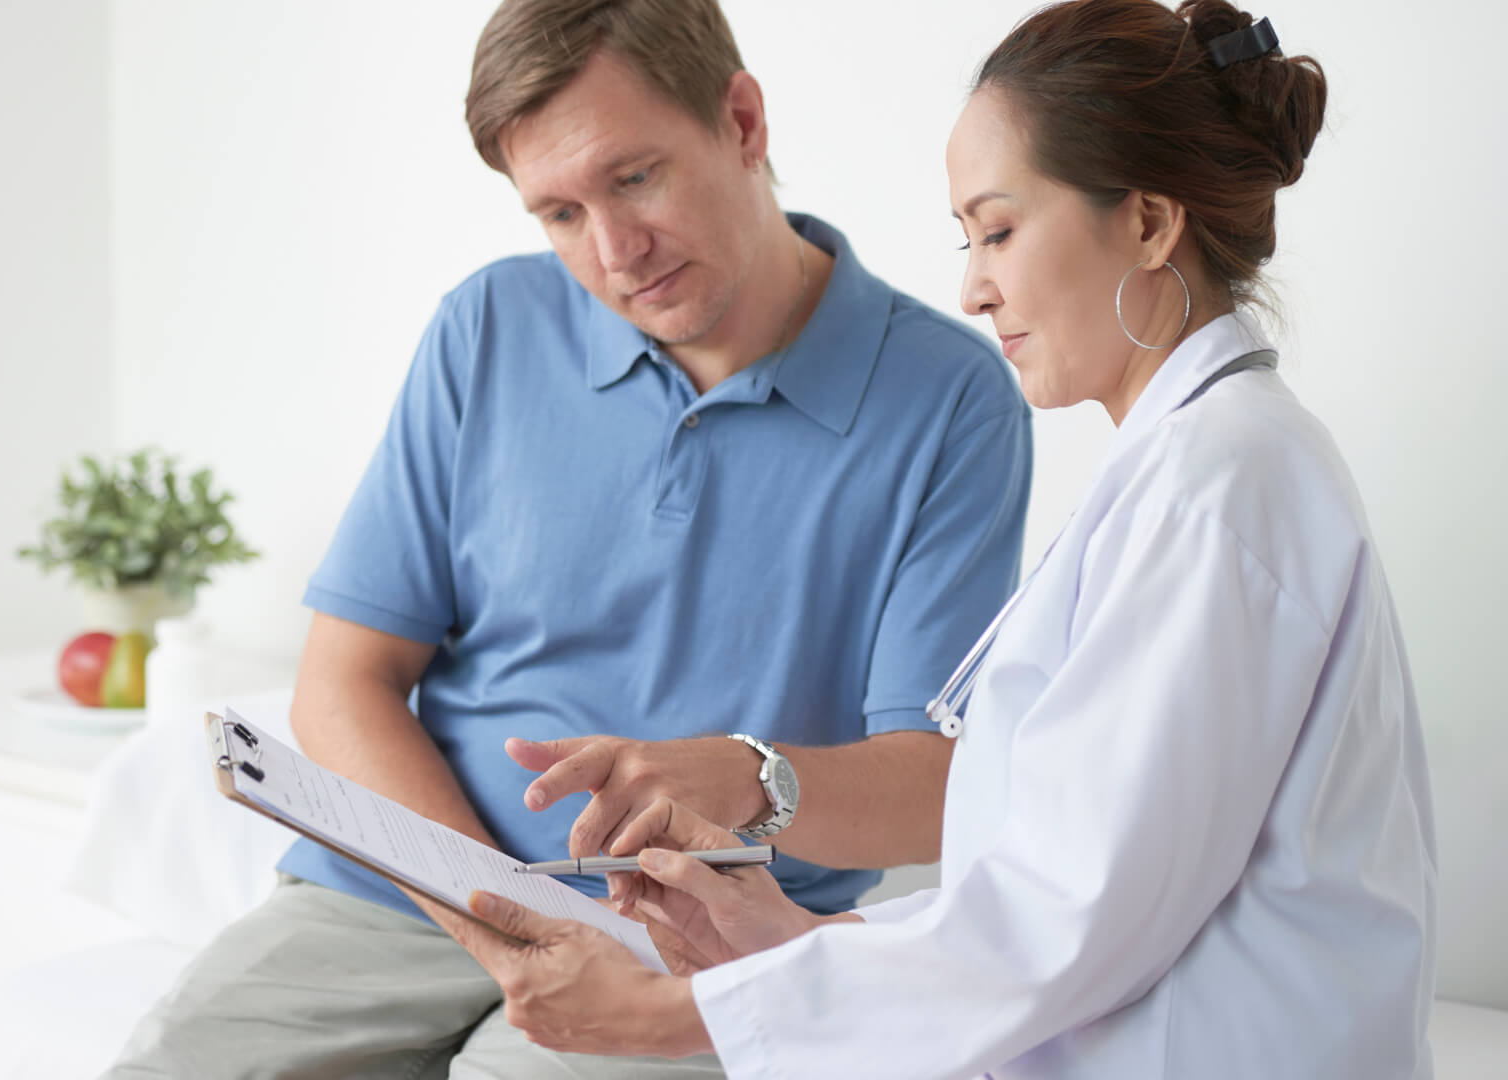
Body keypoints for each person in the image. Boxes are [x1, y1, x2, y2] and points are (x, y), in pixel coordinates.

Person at [453, 2, 1438, 1077]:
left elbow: (1061, 930)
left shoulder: (1222, 489)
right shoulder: (1188, 471)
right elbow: (1047, 900)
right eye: (965, 241)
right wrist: (779, 942)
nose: (973, 287)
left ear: (1151, 224)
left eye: (1001, 230)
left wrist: (669, 1016)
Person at [100, 1, 1031, 1077]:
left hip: (698, 932)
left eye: (635, 178)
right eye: (558, 213)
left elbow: (933, 791)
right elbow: (342, 683)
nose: (614, 251)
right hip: (410, 895)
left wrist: (743, 775)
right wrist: (499, 918)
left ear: (741, 121)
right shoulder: (487, 328)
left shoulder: (950, 400)